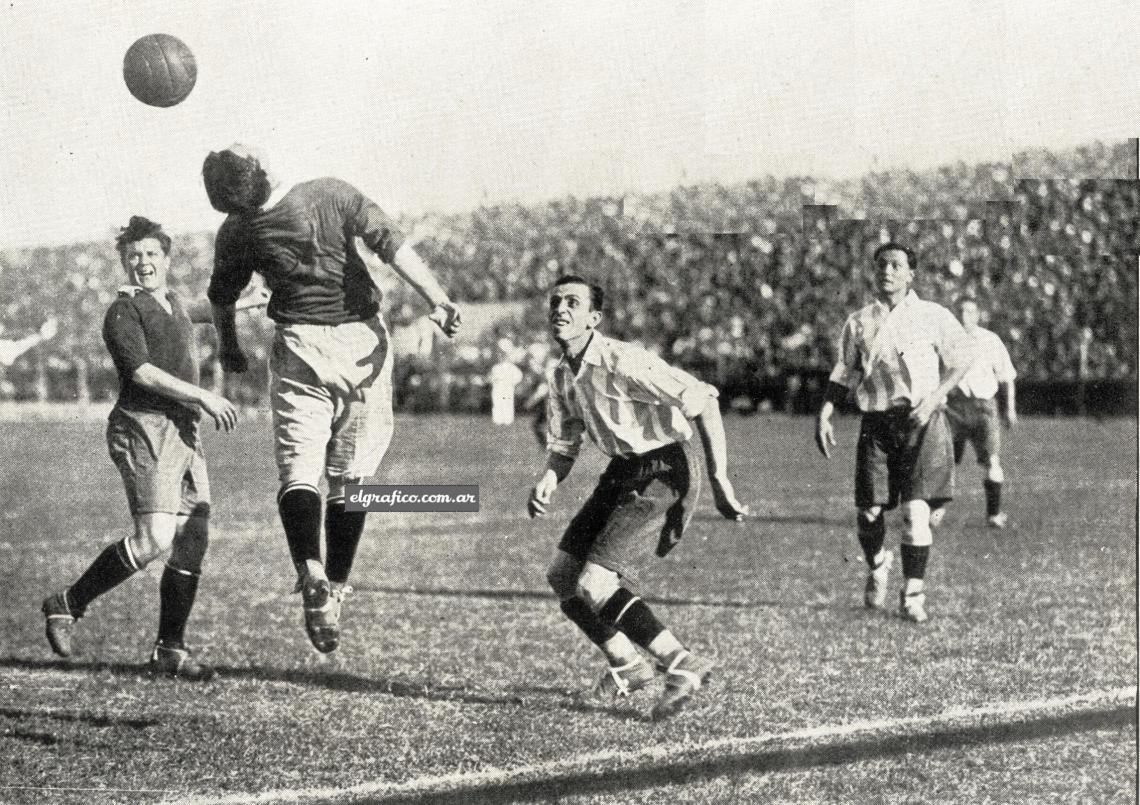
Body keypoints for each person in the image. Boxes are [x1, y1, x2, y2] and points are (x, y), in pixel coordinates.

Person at [202, 144, 461, 654]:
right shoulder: (330, 192)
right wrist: (439, 298)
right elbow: (393, 245)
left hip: (300, 346)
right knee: (353, 481)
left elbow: (220, 298)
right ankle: (336, 588)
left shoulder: (237, 231)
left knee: (299, 473)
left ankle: (310, 567)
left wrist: (230, 347)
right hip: (361, 343)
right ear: (263, 168)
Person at [40, 216, 264, 679]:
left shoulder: (173, 302)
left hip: (182, 430)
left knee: (191, 541)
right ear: (125, 262)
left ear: (166, 258)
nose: (143, 262)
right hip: (143, 426)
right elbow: (140, 372)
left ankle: (170, 651)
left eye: (151, 254)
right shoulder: (124, 311)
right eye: (134, 256)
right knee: (154, 540)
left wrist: (246, 303)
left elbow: (200, 311)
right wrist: (203, 394)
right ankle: (67, 603)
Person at [528, 275, 748, 721]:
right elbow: (565, 442)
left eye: (573, 302)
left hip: (663, 466)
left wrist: (720, 477)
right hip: (623, 469)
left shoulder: (623, 360)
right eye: (555, 302)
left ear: (594, 318)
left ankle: (681, 663)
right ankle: (627, 665)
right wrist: (550, 476)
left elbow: (703, 399)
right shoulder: (560, 375)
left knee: (595, 584)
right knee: (563, 578)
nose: (561, 309)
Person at [815, 242, 975, 624]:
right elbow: (846, 371)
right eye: (882, 265)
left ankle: (913, 595)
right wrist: (825, 410)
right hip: (877, 424)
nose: (887, 271)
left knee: (916, 514)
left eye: (896, 265)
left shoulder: (931, 315)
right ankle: (878, 564)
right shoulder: (858, 322)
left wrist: (936, 397)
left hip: (922, 421)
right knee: (869, 513)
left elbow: (962, 357)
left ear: (910, 274)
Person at [940, 298, 1017, 528]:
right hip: (953, 408)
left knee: (992, 461)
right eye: (961, 311)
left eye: (970, 311)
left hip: (984, 408)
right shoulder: (947, 341)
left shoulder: (990, 340)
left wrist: (1010, 408)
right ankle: (935, 510)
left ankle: (993, 514)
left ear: (977, 315)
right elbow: (937, 373)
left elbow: (1007, 376)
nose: (964, 315)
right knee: (945, 462)